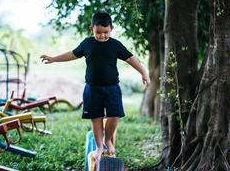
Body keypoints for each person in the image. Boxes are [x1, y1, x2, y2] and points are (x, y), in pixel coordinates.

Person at [40, 12, 150, 163]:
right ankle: (99, 146)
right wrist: (53, 59)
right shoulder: (87, 43)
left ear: (112, 28)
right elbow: (72, 54)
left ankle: (108, 140)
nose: (102, 35)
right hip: (92, 89)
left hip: (112, 88)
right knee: (96, 118)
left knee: (114, 116)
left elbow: (131, 59)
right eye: (98, 32)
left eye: (106, 32)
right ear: (91, 28)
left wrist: (144, 72)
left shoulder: (115, 45)